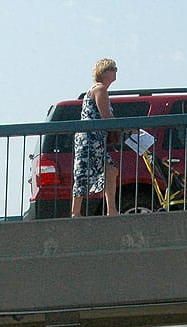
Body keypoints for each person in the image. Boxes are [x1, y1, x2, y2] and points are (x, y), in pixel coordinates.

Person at [71, 58, 119, 217]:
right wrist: (126, 127)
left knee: (110, 170)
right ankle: (75, 212)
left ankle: (111, 209)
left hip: (96, 140)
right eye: (112, 69)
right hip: (91, 139)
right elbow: (106, 116)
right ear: (104, 72)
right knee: (83, 173)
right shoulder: (100, 89)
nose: (115, 71)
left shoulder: (98, 90)